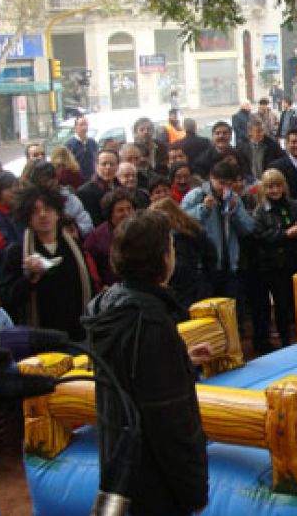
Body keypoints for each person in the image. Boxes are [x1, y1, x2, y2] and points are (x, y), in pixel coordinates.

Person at [83, 209, 209, 516]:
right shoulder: (149, 322)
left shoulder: (110, 306)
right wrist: (194, 489)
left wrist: (180, 360)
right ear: (163, 257)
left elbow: (131, 375)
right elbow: (169, 419)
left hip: (121, 464)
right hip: (156, 479)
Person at [0, 185, 93, 341]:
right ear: (27, 218)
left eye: (48, 209)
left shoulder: (73, 246)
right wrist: (29, 279)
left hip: (77, 334)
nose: (42, 215)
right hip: (40, 339)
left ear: (57, 213)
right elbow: (7, 299)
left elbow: (87, 284)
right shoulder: (17, 252)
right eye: (35, 211)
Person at [251, 169, 297, 348]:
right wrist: (285, 234)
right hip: (274, 267)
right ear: (264, 189)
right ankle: (286, 341)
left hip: (296, 261)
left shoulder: (294, 206)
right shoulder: (260, 211)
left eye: (278, 186)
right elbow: (261, 235)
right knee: (281, 306)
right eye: (270, 187)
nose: (274, 190)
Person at [181, 161, 256, 300]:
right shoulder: (196, 196)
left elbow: (248, 228)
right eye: (221, 183)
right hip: (204, 267)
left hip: (230, 265)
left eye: (229, 184)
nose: (224, 188)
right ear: (211, 177)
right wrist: (203, 209)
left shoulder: (234, 198)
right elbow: (183, 223)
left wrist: (235, 210)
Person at [149, 197, 216, 309]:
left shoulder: (170, 238)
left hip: (181, 292)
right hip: (201, 286)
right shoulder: (196, 230)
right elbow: (211, 256)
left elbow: (180, 267)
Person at [84, 188, 137, 289]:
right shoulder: (96, 238)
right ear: (110, 213)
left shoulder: (142, 231)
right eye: (120, 210)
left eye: (129, 208)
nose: (126, 214)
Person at [27, 160, 94, 238]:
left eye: (50, 180)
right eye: (42, 182)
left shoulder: (69, 199)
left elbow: (87, 224)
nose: (47, 185)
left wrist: (76, 230)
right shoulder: (29, 203)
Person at [77, 149, 120, 226]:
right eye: (104, 164)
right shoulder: (85, 192)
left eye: (111, 164)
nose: (108, 167)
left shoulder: (122, 188)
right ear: (96, 166)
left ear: (117, 166)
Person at [66, 115, 98, 181]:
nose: (84, 127)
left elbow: (96, 160)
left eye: (86, 125)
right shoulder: (70, 144)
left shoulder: (92, 143)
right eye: (81, 125)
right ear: (75, 127)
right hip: (77, 180)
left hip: (92, 180)